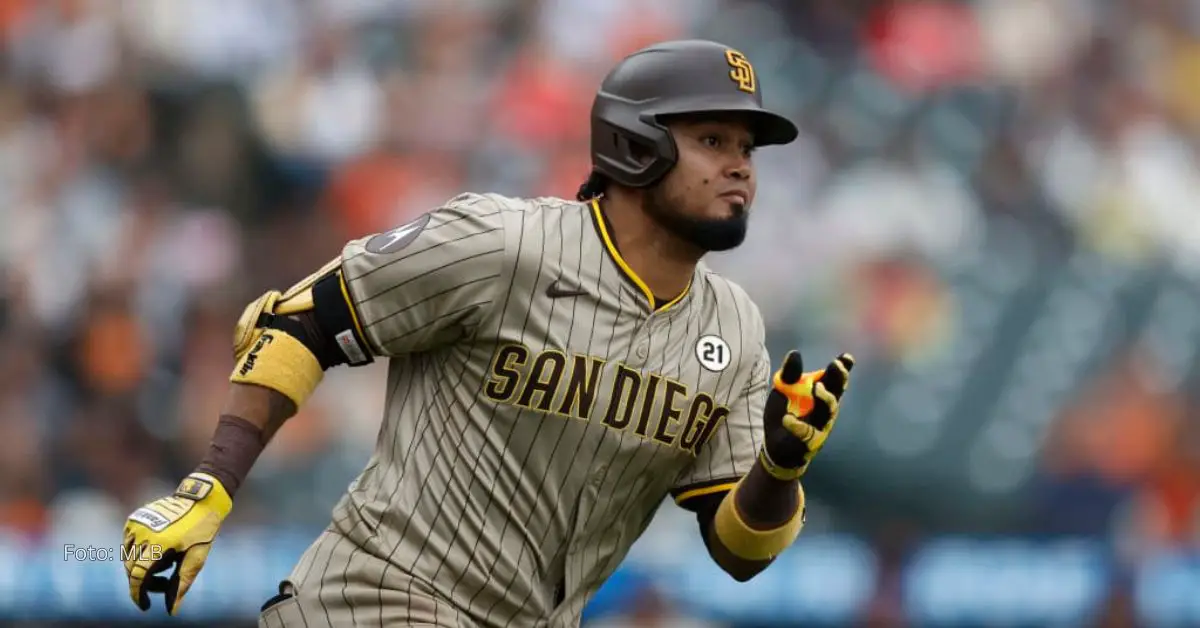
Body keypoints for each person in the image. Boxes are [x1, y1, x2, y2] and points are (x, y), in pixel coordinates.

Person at [120, 39, 855, 628]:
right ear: (637, 145)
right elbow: (301, 321)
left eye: (748, 149)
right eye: (713, 139)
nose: (740, 167)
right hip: (374, 600)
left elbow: (738, 548)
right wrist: (211, 486)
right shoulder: (505, 245)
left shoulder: (733, 325)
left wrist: (781, 464)